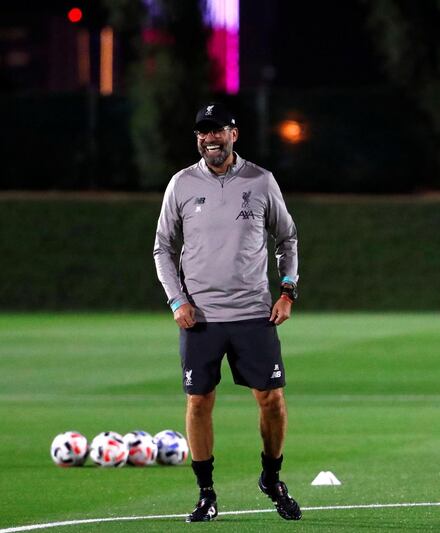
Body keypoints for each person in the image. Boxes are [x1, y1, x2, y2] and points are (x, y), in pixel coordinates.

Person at [153, 103, 302, 523]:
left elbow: (287, 238)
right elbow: (162, 246)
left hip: (254, 313)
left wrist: (287, 291)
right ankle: (206, 494)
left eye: (216, 130)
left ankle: (271, 478)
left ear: (234, 134)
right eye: (202, 131)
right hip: (200, 318)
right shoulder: (181, 184)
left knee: (271, 399)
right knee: (198, 402)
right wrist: (177, 300)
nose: (209, 138)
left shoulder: (261, 180)